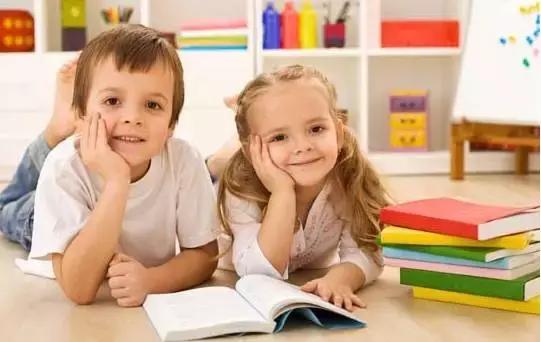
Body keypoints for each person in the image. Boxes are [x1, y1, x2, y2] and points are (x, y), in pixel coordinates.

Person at [11, 24, 219, 307]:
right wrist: (117, 181)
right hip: (36, 215)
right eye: (112, 101)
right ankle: (55, 127)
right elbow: (79, 289)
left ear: (171, 125)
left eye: (153, 105)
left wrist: (151, 281)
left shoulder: (184, 159)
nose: (133, 117)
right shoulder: (62, 169)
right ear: (82, 116)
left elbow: (205, 255)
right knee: (10, 210)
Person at [217, 65, 391, 312]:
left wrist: (340, 279)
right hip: (227, 176)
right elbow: (257, 271)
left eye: (316, 129)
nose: (303, 146)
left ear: (339, 133)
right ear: (251, 151)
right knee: (217, 164)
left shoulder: (348, 177)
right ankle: (229, 137)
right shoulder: (241, 186)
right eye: (279, 137)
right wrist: (282, 193)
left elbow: (368, 252)